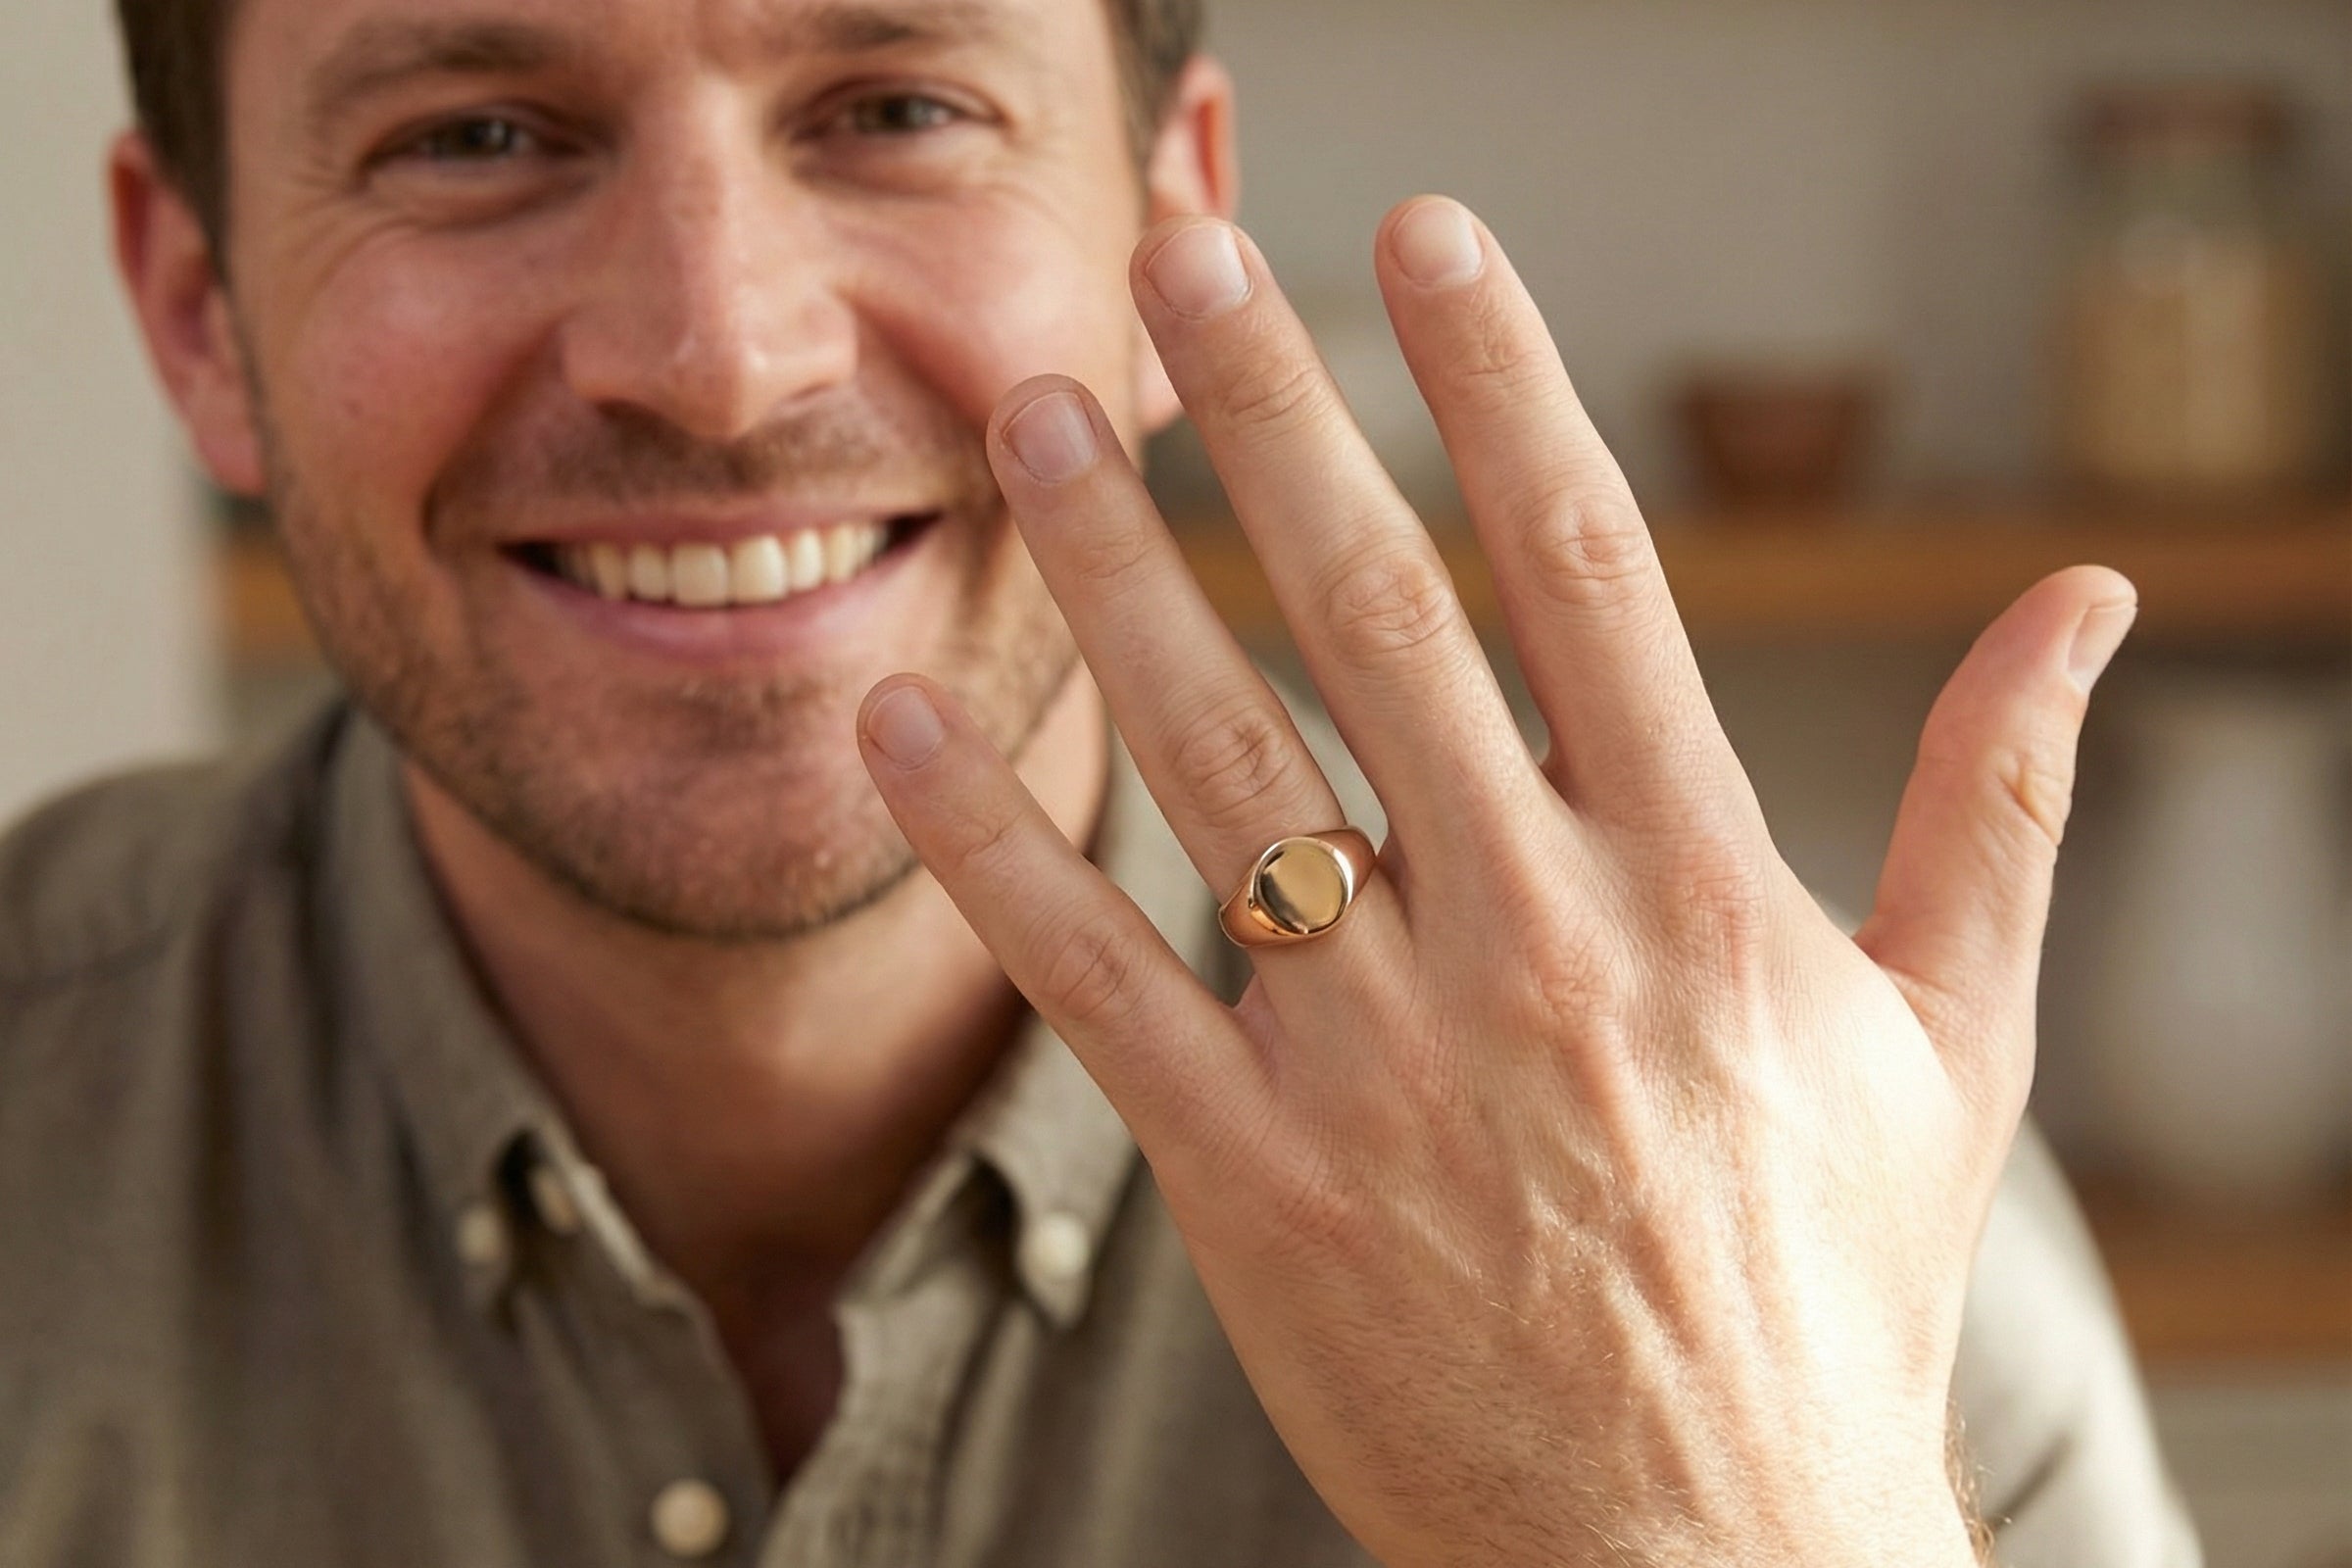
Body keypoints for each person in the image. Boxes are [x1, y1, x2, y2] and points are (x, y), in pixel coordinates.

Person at [0, 0, 2199, 1562]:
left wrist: (1714, 1513)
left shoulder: (1764, 1197)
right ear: (198, 310)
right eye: (474, 134)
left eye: (893, 104)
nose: (717, 352)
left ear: (1174, 232)